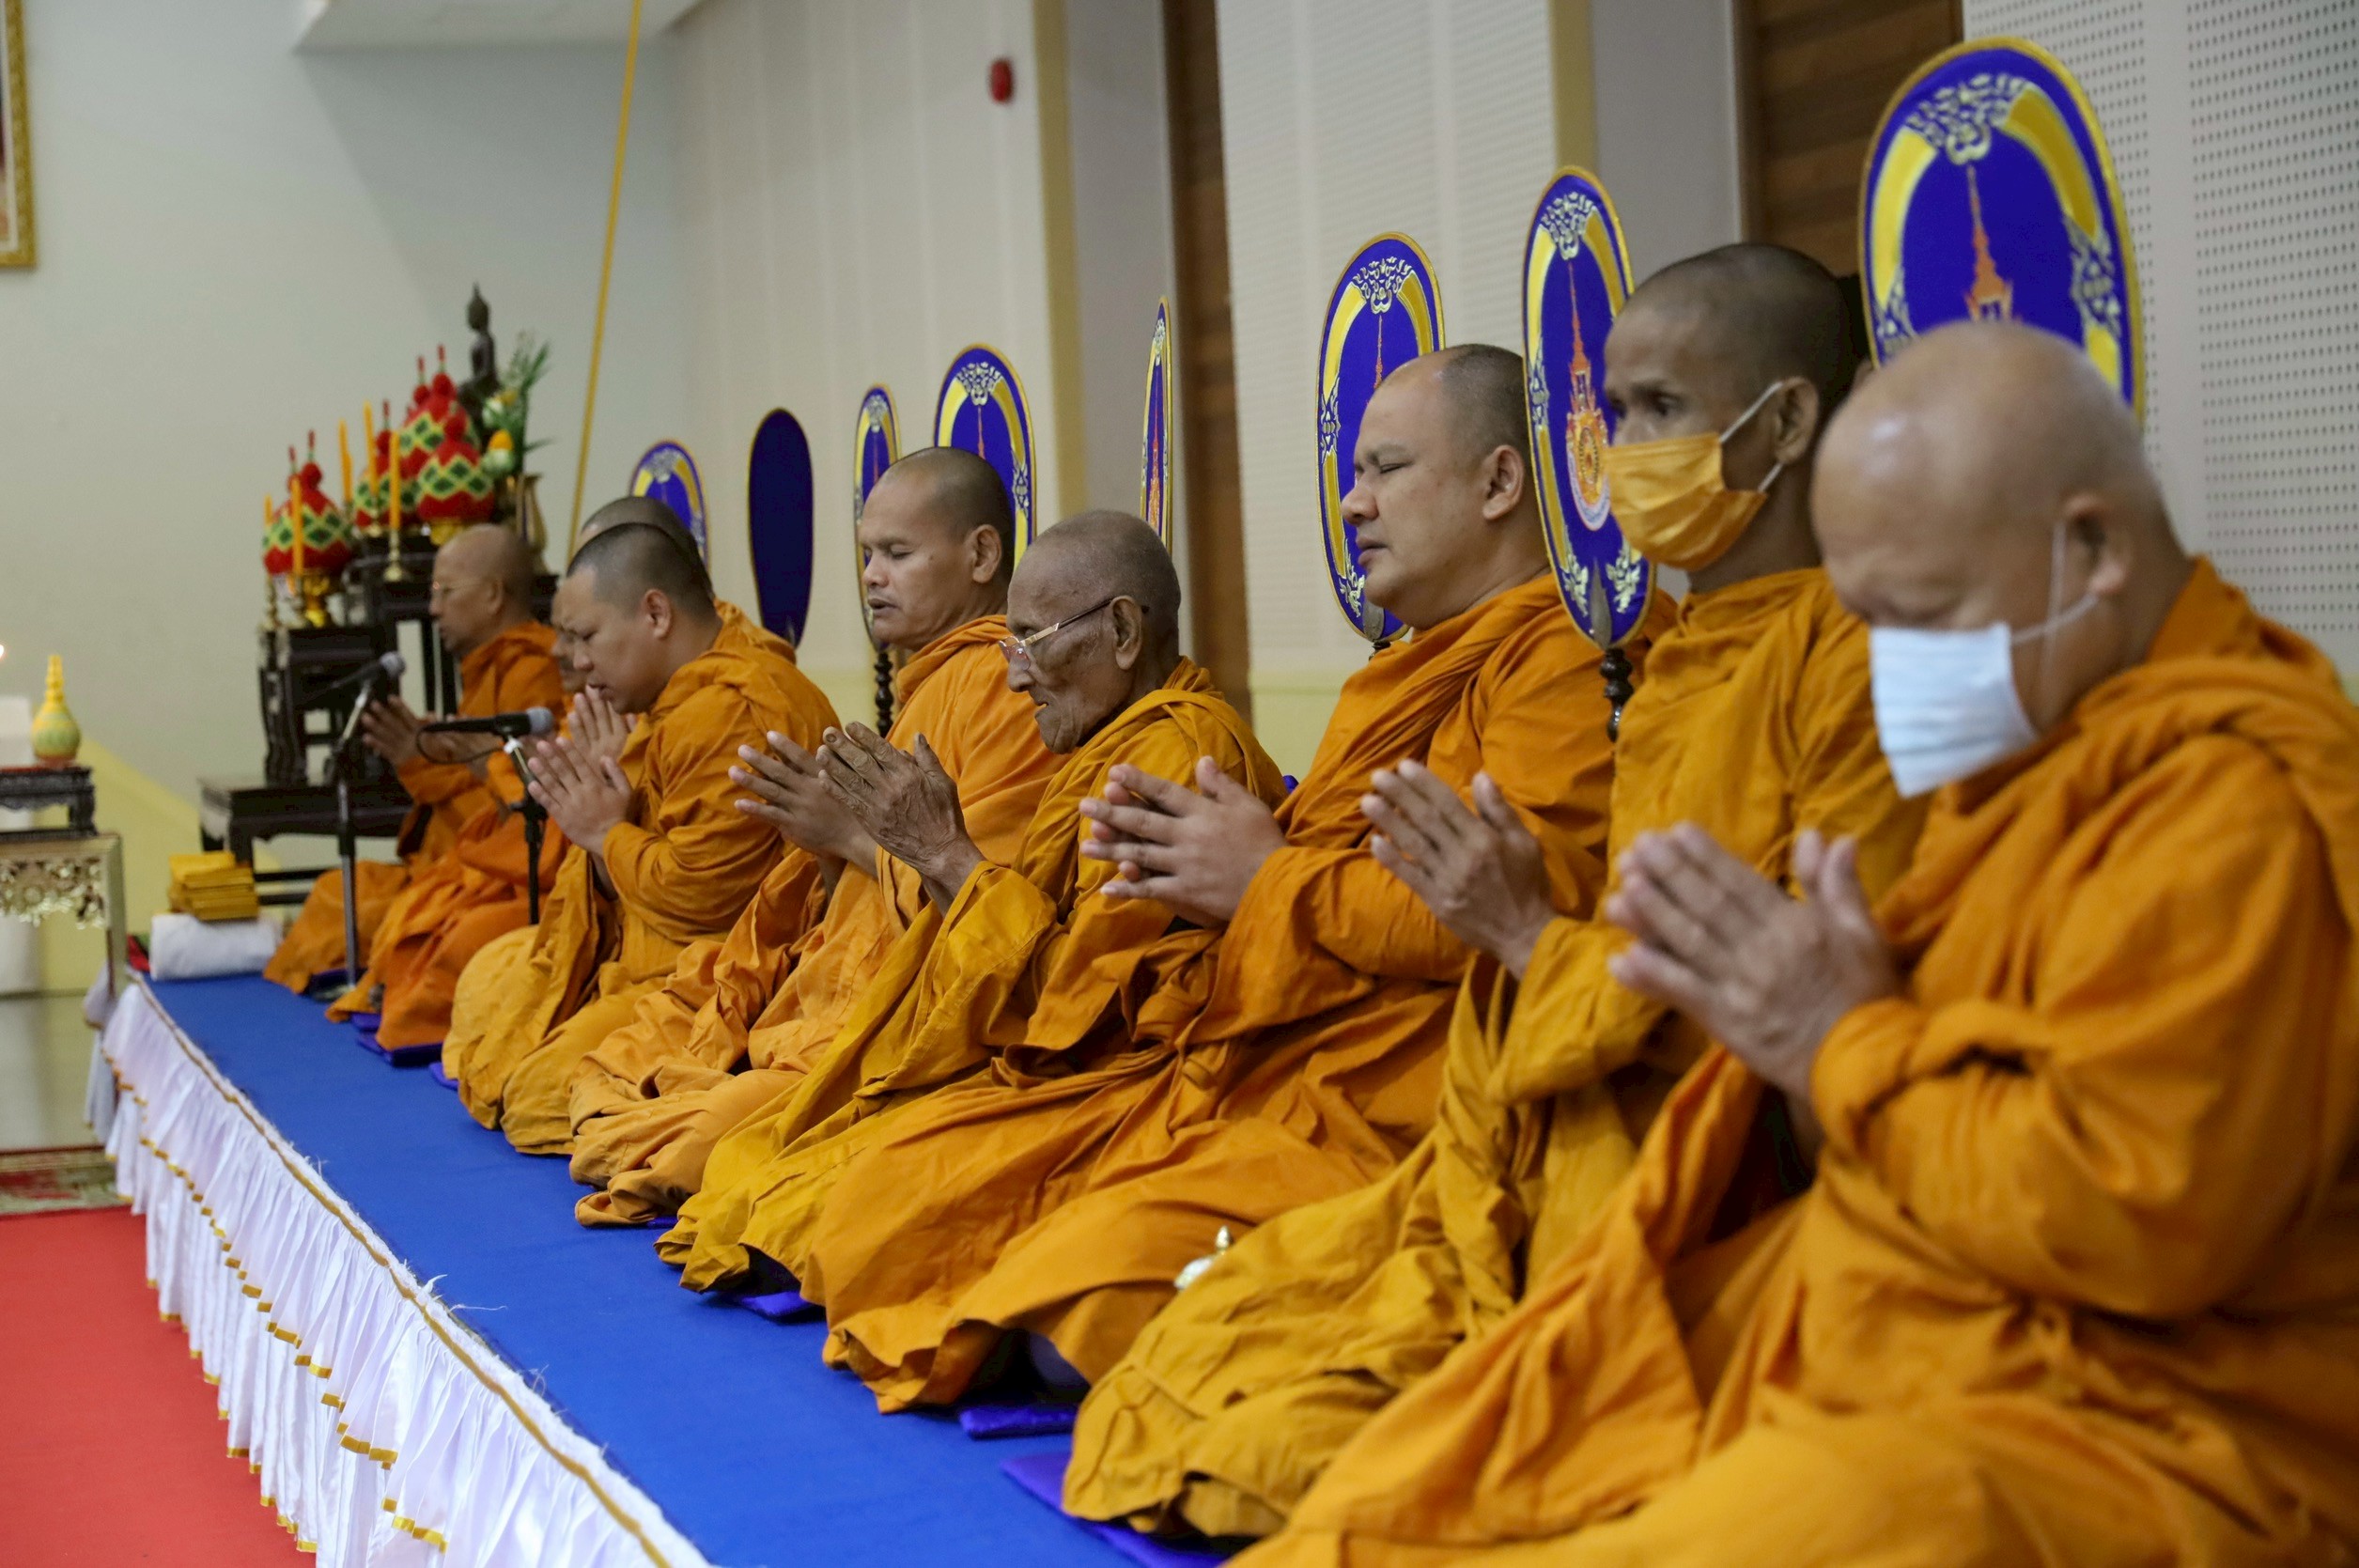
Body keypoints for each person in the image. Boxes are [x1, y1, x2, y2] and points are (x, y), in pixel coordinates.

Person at [1247, 319, 2359, 1567]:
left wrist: (1832, 1034)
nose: (1892, 668)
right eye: (1868, 617)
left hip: (2160, 1408)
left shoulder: (2231, 803)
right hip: (1926, 1283)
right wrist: (1824, 1039)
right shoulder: (2031, 751)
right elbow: (1881, 1115)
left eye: (1919, 614)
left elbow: (2133, 1228)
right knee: (1447, 1457)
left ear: (2091, 549)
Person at [1064, 243, 1928, 1539]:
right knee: (1188, 1356)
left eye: (1655, 410)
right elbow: (1604, 944)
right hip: (1493, 1101)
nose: (1615, 455)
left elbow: (1764, 1005)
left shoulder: (1825, 665)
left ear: (1788, 420)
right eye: (1608, 414)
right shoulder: (1672, 658)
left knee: (1282, 1430)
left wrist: (1449, 917)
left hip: (1672, 1155)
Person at [677, 344, 1654, 1415]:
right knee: (834, 1193)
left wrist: (1260, 878)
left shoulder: (1558, 663)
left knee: (1013, 1281)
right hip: (1246, 1068)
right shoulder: (1395, 675)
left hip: (1388, 1089)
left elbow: (1506, 921)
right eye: (1353, 473)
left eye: (1384, 469)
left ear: (1501, 480)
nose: (1352, 502)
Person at [659, 510, 1283, 1289]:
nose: (1016, 677)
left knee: (837, 1211)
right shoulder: (1101, 750)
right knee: (758, 1170)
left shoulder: (1169, 759)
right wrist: (916, 853)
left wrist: (946, 856)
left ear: (1122, 631)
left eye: (1031, 642)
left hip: (1111, 1090)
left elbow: (1080, 1015)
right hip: (1026, 1063)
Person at [566, 449, 1057, 1225]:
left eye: (896, 553)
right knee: (591, 1088)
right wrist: (828, 848)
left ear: (981, 555)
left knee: (689, 1149)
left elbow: (989, 918)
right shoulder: (931, 684)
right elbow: (852, 908)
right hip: (828, 1000)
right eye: (865, 554)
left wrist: (848, 836)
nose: (871, 576)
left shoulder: (1007, 694)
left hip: (914, 1030)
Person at [441, 504, 835, 1151]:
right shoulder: (673, 694)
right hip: (645, 954)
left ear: (655, 614)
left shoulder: (730, 710)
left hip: (721, 973)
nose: (571, 659)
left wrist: (604, 833)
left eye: (584, 636)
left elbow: (701, 903)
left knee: (536, 1097)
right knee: (486, 982)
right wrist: (609, 803)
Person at [265, 524, 566, 997]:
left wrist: (428, 760)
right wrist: (424, 756)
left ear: (492, 594)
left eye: (445, 591)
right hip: (454, 867)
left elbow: (522, 817)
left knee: (393, 918)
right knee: (338, 891)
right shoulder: (490, 669)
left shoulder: (532, 670)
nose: (433, 608)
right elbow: (479, 783)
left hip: (495, 877)